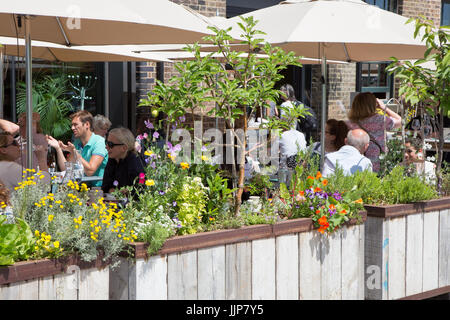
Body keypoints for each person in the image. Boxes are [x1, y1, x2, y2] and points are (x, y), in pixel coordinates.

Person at [346, 92, 401, 173]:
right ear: (373, 105)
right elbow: (400, 121)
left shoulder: (349, 123)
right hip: (377, 162)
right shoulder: (380, 120)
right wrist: (384, 107)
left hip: (355, 163)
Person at [58, 110, 108, 187]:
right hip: (80, 189)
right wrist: (58, 149)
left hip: (98, 191)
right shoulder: (77, 143)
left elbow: (90, 171)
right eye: (72, 125)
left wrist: (75, 153)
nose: (72, 128)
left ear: (87, 124)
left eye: (75, 125)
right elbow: (66, 170)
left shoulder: (99, 141)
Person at [101, 127, 145, 195]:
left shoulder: (135, 163)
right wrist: (117, 192)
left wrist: (117, 192)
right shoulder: (112, 160)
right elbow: (105, 187)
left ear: (124, 148)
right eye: (106, 143)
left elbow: (140, 189)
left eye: (110, 144)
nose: (106, 147)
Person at [278, 117, 307, 186]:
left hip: (287, 167)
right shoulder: (301, 134)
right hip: (302, 164)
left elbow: (272, 151)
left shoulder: (282, 135)